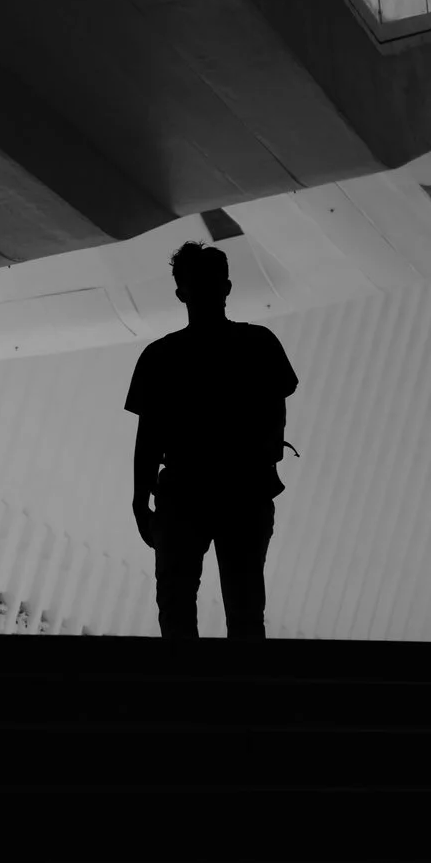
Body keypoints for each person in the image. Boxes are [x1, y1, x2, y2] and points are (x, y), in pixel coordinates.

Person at [125, 241, 298, 638]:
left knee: (176, 602)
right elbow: (277, 406)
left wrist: (140, 500)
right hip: (245, 488)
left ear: (180, 292)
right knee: (246, 605)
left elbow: (148, 435)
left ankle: (185, 690)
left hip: (183, 489)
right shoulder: (259, 343)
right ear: (227, 288)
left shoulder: (160, 355)